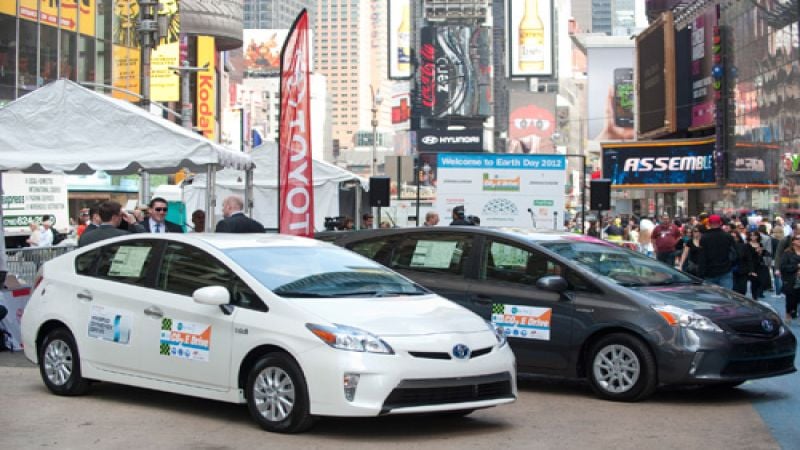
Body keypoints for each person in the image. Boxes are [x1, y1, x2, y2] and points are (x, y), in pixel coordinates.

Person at [79, 201, 143, 247]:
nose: (122, 218)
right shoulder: (124, 236)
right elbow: (144, 242)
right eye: (121, 215)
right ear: (114, 217)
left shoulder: (85, 237)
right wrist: (134, 223)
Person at [698, 214, 736, 290]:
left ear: (709, 224)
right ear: (720, 223)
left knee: (712, 298)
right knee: (727, 297)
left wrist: (701, 273)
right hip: (725, 270)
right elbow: (734, 253)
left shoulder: (704, 238)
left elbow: (702, 256)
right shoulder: (728, 236)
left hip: (709, 271)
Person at [780, 234, 800, 323]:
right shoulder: (787, 253)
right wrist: (796, 266)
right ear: (793, 241)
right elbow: (783, 267)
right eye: (798, 239)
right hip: (791, 279)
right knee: (791, 299)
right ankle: (788, 313)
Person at [746, 230, 770, 299]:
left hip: (760, 264)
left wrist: (761, 252)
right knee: (754, 281)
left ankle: (759, 293)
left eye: (755, 235)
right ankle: (754, 296)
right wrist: (755, 252)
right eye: (751, 235)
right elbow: (748, 256)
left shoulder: (760, 244)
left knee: (762, 280)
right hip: (752, 265)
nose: (753, 237)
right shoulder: (747, 245)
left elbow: (763, 255)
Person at [730, 229, 753, 295]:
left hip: (742, 270)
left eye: (735, 237)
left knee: (742, 288)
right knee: (734, 288)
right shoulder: (728, 246)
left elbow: (749, 258)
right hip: (732, 270)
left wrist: (751, 269)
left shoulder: (744, 246)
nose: (734, 239)